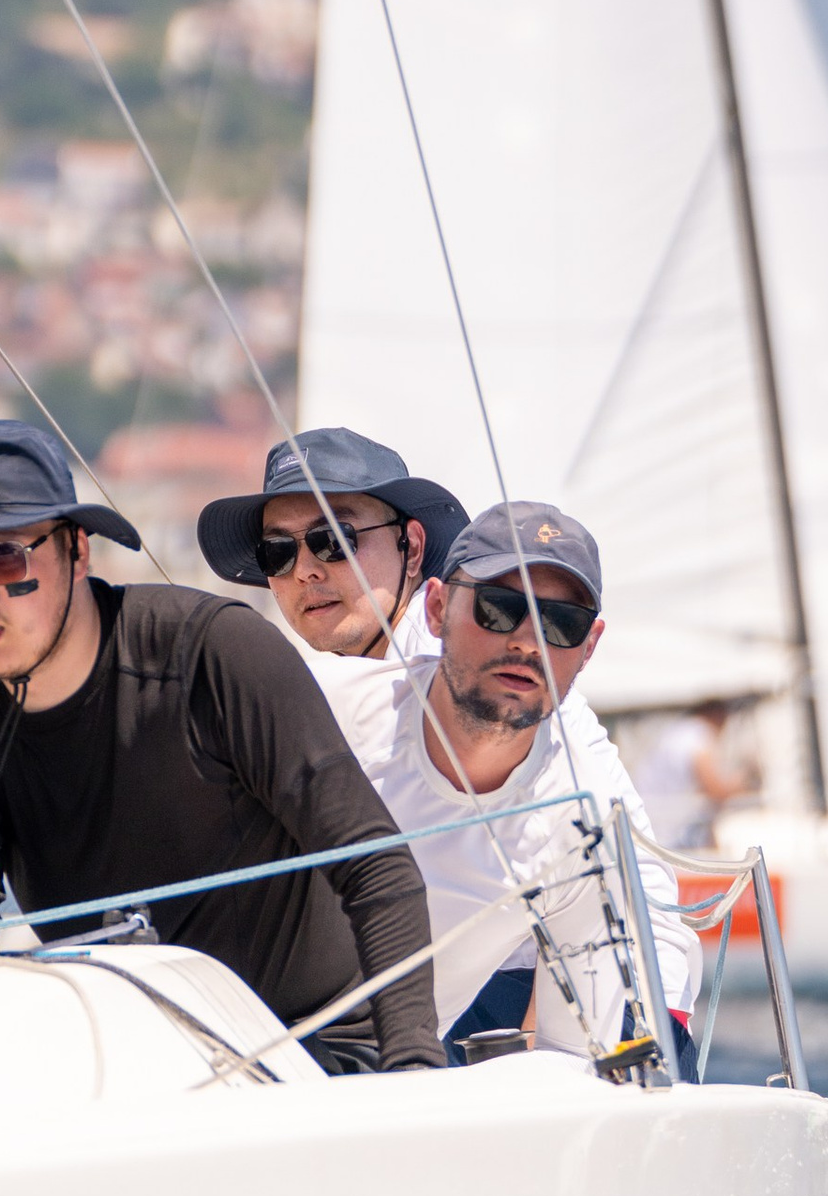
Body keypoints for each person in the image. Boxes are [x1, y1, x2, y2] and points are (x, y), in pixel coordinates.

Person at [0, 419, 444, 1073]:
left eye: (4, 557)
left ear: (76, 551)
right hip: (126, 1055)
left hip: (308, 1043)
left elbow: (375, 868)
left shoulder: (215, 651)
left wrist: (413, 1072)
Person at [317, 499, 703, 1071]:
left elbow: (571, 1056)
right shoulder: (322, 712)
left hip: (375, 1081)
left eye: (561, 624)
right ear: (437, 609)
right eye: (499, 609)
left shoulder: (583, 820)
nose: (527, 642)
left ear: (589, 647)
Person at [196, 427, 466, 667]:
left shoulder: (447, 664)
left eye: (334, 539)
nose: (304, 572)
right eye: (277, 551)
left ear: (412, 548)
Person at [630, 701, 757, 854]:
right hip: (670, 835)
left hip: (653, 828)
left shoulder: (677, 733)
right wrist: (744, 783)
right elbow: (716, 790)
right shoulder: (697, 734)